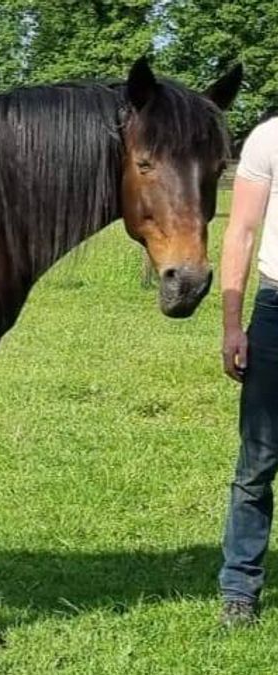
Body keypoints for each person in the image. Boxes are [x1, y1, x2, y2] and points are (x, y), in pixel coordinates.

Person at [219, 114, 278, 627]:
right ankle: (240, 586)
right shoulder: (270, 138)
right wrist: (233, 325)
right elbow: (240, 230)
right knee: (258, 460)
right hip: (276, 309)